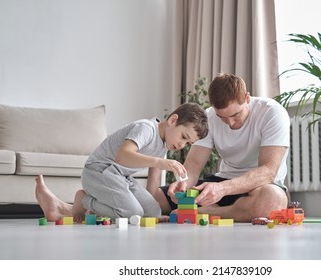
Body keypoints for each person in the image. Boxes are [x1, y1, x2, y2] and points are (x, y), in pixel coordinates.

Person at [35, 102, 208, 223]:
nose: (181, 145)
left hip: (121, 177)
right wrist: (160, 162)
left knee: (153, 211)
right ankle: (86, 200)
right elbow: (123, 156)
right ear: (172, 120)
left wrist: (151, 208)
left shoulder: (165, 144)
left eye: (188, 143)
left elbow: (153, 181)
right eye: (184, 137)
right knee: (133, 213)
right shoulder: (147, 128)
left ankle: (90, 205)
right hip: (99, 171)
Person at [156, 73, 290, 222]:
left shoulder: (272, 113)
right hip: (222, 182)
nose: (231, 123)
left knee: (272, 201)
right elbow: (193, 166)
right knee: (158, 199)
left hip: (258, 187)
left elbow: (268, 172)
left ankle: (207, 212)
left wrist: (223, 189)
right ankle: (223, 211)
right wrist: (182, 185)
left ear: (247, 98)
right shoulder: (209, 117)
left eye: (236, 115)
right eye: (222, 118)